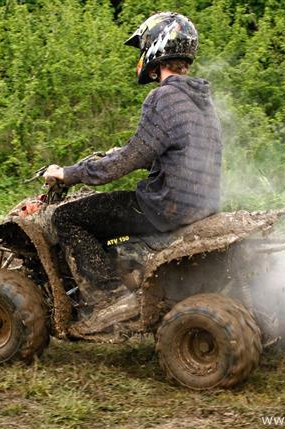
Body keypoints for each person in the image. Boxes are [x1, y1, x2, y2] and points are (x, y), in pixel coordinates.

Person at [43, 12, 223, 334]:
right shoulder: (202, 101)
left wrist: (68, 173)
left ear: (157, 49)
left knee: (67, 218)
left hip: (166, 207)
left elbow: (124, 162)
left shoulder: (164, 96)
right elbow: (172, 152)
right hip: (201, 204)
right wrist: (127, 155)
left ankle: (108, 299)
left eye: (143, 47)